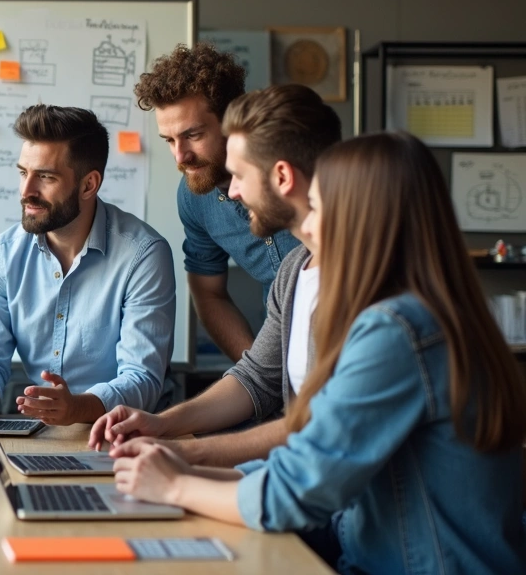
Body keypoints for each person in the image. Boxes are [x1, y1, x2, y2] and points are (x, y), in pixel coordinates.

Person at [113, 132, 526, 574]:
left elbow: (294, 493)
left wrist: (176, 486)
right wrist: (180, 467)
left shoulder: (396, 332)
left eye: (320, 209)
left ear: (363, 219)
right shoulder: (424, 311)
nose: (306, 227)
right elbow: (307, 461)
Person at [89, 84, 341, 467]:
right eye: (169, 139)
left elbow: (322, 431)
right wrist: (160, 426)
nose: (231, 194)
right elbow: (258, 376)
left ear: (282, 176)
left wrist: (182, 457)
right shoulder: (295, 273)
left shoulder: (365, 281)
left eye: (192, 135)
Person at [0, 104, 176, 426]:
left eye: (45, 177)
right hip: (40, 433)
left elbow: (143, 379)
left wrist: (77, 408)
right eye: (23, 173)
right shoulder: (3, 255)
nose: (27, 191)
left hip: (124, 434)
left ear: (88, 185)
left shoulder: (143, 256)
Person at [134, 42, 299, 361]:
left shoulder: (300, 172)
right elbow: (209, 293)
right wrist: (261, 372)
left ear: (232, 121)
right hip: (286, 368)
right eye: (169, 140)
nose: (180, 157)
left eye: (192, 135)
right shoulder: (193, 197)